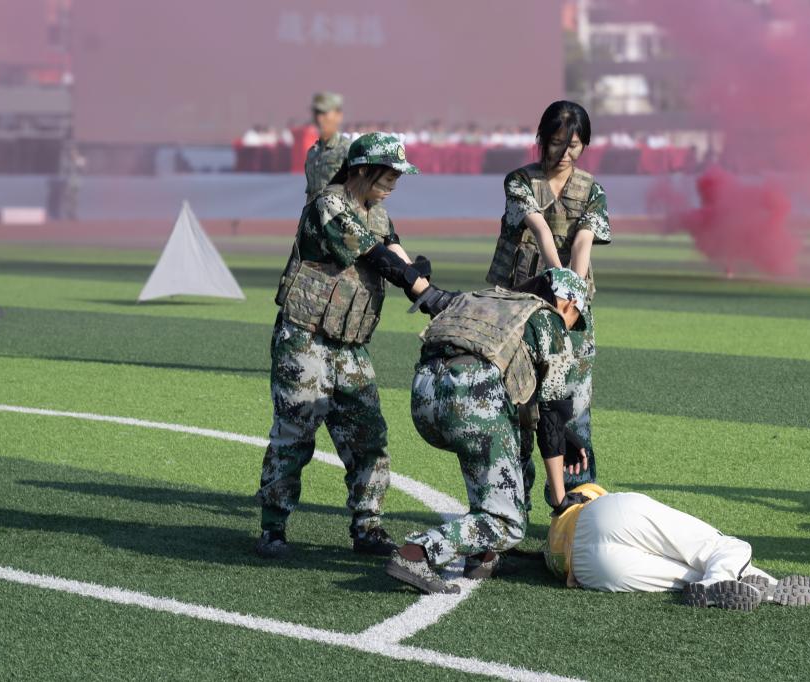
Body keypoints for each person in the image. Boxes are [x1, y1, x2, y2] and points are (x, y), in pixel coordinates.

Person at [254, 132, 458, 559]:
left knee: (369, 437)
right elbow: (375, 256)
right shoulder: (328, 205)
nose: (395, 183)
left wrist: (424, 287)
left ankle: (367, 527)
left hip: (350, 348)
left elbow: (397, 255)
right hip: (305, 338)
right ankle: (273, 527)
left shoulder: (379, 215)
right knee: (294, 435)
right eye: (390, 174)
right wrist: (420, 285)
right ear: (363, 169)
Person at [385, 268, 592, 594]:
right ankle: (418, 552)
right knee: (509, 523)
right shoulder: (549, 320)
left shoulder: (490, 299)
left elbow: (527, 401)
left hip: (425, 398)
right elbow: (551, 418)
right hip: (472, 401)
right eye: (575, 316)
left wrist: (565, 436)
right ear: (568, 303)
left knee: (518, 439)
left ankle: (484, 555)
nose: (571, 325)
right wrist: (560, 498)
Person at [485, 100, 611, 505]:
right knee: (517, 407)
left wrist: (571, 295)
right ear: (541, 139)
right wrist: (559, 282)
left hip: (571, 315)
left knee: (575, 410)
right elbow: (539, 230)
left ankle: (576, 507)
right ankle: (508, 508)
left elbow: (584, 241)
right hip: (519, 309)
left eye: (574, 145)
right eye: (557, 143)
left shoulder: (591, 190)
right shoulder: (520, 181)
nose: (565, 153)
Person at [544, 484, 810, 611]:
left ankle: (743, 584)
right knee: (725, 547)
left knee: (691, 578)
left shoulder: (548, 549)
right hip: (606, 513)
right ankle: (761, 583)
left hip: (585, 568)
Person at [305, 91, 350, 204]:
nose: (319, 118)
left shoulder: (348, 150)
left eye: (324, 113)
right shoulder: (313, 153)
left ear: (338, 115)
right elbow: (311, 194)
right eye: (317, 113)